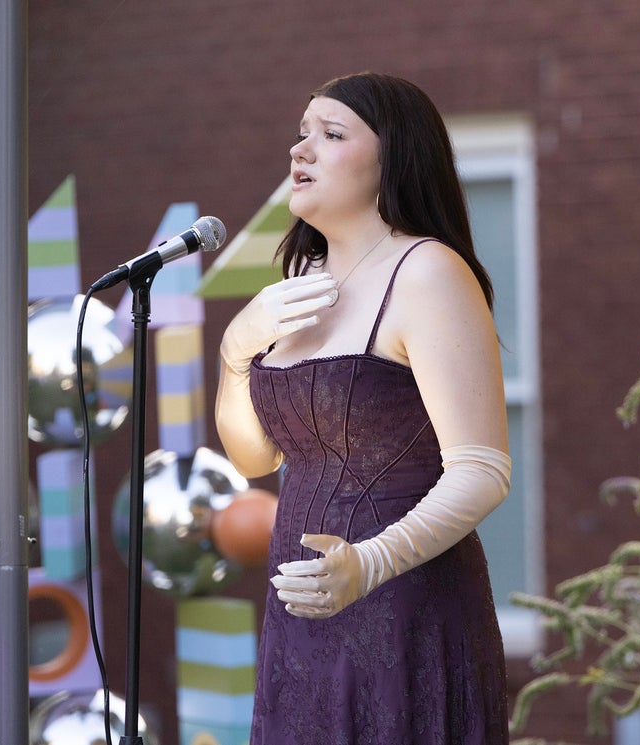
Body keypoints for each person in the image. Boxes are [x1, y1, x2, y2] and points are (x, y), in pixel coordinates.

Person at [215, 72, 511, 745]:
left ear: (392, 160)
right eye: (301, 133)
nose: (301, 150)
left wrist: (368, 564)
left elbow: (483, 468)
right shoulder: (299, 284)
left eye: (331, 133)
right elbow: (255, 456)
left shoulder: (428, 272)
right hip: (304, 620)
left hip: (406, 608)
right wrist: (235, 353)